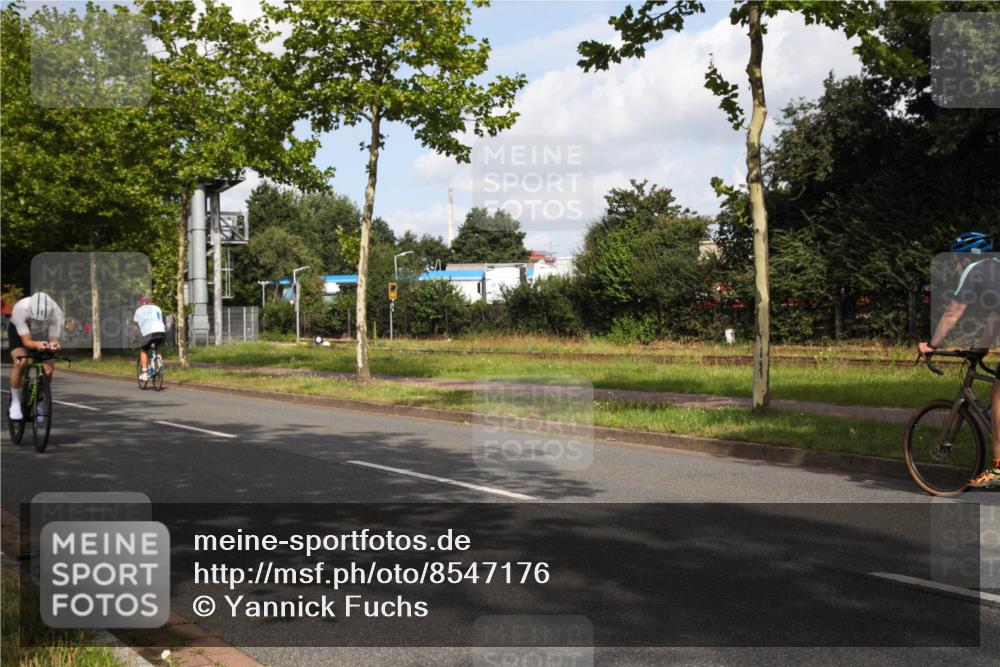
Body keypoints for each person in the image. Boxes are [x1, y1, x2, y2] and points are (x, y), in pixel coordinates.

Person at [919, 231, 1000, 488]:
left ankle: (999, 470)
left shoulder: (975, 269)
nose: (954, 264)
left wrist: (932, 345)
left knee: (999, 394)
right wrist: (981, 347)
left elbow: (953, 313)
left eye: (955, 259)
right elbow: (995, 318)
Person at [7, 292, 63, 421]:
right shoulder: (20, 309)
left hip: (42, 332)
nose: (37, 321)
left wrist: (54, 345)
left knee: (48, 369)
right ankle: (15, 402)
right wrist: (37, 344)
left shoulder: (56, 312)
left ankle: (40, 399)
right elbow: (26, 341)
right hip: (18, 330)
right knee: (21, 361)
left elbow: (54, 339)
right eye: (35, 319)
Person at [133, 295, 166, 383]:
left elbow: (136, 327)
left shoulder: (138, 311)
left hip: (148, 333)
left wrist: (135, 336)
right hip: (160, 332)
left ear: (141, 303)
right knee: (157, 346)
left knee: (143, 350)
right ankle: (160, 363)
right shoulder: (157, 308)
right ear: (151, 302)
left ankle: (144, 373)